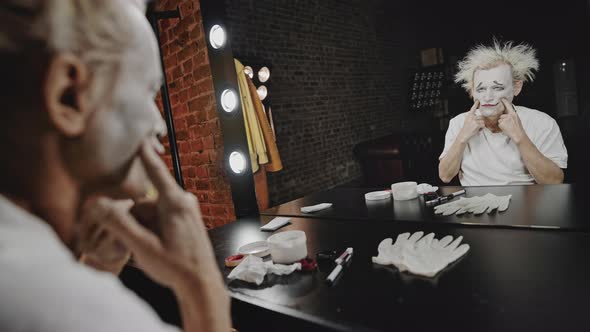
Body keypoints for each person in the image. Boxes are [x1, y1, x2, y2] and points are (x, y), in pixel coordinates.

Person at [0, 1, 231, 331]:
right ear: (68, 95)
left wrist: (98, 267)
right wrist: (201, 287)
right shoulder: (52, 305)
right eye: (148, 90)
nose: (160, 125)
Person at [439, 40, 568, 186]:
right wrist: (462, 137)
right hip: (475, 205)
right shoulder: (458, 123)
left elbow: (554, 181)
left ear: (516, 88)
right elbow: (445, 176)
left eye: (498, 88)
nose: (488, 97)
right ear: (472, 91)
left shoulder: (542, 122)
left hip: (525, 204)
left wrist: (520, 137)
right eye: (481, 89)